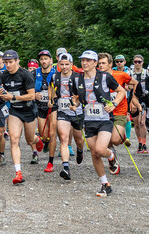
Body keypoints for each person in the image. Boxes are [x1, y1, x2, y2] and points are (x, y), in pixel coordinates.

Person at [72, 50, 123, 197]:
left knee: (101, 150)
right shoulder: (77, 79)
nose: (85, 63)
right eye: (83, 60)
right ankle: (105, 184)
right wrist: (74, 103)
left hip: (104, 119)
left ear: (95, 63)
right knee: (94, 153)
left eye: (88, 60)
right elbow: (75, 97)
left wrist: (114, 104)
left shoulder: (105, 77)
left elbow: (121, 91)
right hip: (88, 120)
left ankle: (111, 155)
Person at [0, 49, 38, 183]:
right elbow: (5, 95)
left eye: (10, 62)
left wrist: (13, 96)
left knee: (29, 140)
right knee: (14, 139)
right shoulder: (4, 76)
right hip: (15, 111)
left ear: (17, 61)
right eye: (6, 62)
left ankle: (37, 140)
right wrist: (3, 95)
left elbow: (32, 95)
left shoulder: (26, 74)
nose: (8, 65)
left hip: (29, 110)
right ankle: (18, 172)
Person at [49, 52, 83, 180]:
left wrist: (76, 102)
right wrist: (51, 99)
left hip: (76, 111)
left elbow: (82, 94)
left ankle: (80, 151)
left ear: (72, 65)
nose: (64, 67)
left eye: (67, 64)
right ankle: (66, 167)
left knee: (79, 140)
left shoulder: (78, 77)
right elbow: (51, 87)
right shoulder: (55, 76)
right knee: (63, 138)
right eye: (62, 64)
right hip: (62, 110)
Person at [98, 53, 135, 160]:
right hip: (104, 112)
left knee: (115, 140)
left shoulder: (120, 75)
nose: (101, 66)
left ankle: (122, 136)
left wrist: (133, 99)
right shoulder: (97, 77)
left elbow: (136, 83)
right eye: (99, 63)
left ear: (110, 64)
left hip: (120, 110)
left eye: (103, 63)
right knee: (107, 139)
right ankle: (112, 158)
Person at [33, 49, 56, 168]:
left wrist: (53, 98)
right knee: (44, 135)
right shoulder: (34, 73)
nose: (43, 61)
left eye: (46, 59)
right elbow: (29, 88)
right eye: (41, 59)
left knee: (52, 132)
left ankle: (51, 159)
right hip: (40, 106)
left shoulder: (56, 73)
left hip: (52, 106)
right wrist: (34, 95)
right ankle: (46, 142)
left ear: (51, 60)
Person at [129, 55, 149, 154]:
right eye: (135, 61)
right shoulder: (129, 72)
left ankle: (144, 143)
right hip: (133, 97)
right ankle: (140, 142)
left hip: (144, 98)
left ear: (142, 62)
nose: (137, 63)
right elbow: (127, 86)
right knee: (136, 123)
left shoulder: (146, 72)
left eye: (139, 62)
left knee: (142, 122)